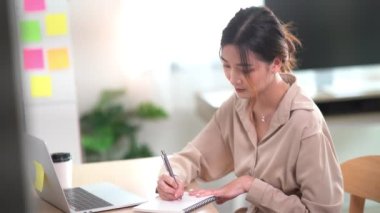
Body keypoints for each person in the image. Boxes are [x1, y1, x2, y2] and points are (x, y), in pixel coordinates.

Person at [156, 6, 343, 213]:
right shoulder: (237, 106)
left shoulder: (306, 124)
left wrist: (250, 185)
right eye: (227, 65)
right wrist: (171, 178)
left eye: (245, 69)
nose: (233, 78)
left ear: (276, 63)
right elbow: (193, 157)